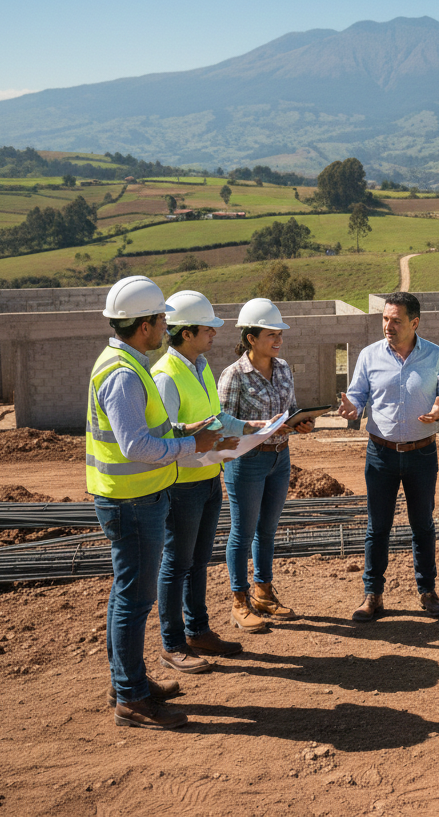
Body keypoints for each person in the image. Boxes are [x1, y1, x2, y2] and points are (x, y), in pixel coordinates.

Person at [87, 275, 224, 730]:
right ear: (143, 325)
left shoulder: (126, 363)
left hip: (132, 497)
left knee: (125, 597)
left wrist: (185, 431)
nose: (167, 325)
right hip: (131, 500)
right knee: (133, 600)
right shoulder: (124, 374)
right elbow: (135, 446)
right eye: (161, 319)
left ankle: (127, 682)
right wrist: (190, 446)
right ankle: (131, 698)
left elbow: (149, 432)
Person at [152, 290, 263, 672]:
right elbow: (167, 437)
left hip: (208, 478)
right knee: (176, 563)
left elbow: (215, 420)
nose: (215, 334)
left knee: (198, 562)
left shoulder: (199, 367)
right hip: (182, 484)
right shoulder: (165, 376)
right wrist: (210, 443)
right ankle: (172, 643)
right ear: (186, 333)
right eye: (208, 329)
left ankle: (198, 630)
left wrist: (252, 426)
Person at [339, 291, 439, 622]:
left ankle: (427, 592)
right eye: (384, 319)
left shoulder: (436, 356)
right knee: (378, 527)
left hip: (422, 454)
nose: (388, 326)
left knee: (423, 525)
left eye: (396, 321)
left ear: (414, 323)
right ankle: (372, 595)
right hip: (381, 454)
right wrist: (352, 407)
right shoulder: (369, 355)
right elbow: (358, 395)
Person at [218, 298, 314, 632]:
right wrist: (259, 428)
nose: (278, 340)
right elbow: (222, 423)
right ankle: (239, 601)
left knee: (267, 530)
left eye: (279, 334)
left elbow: (291, 408)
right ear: (251, 338)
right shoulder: (234, 375)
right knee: (242, 533)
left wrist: (300, 423)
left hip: (279, 457)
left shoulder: (283, 368)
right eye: (271, 334)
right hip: (247, 461)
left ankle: (263, 593)